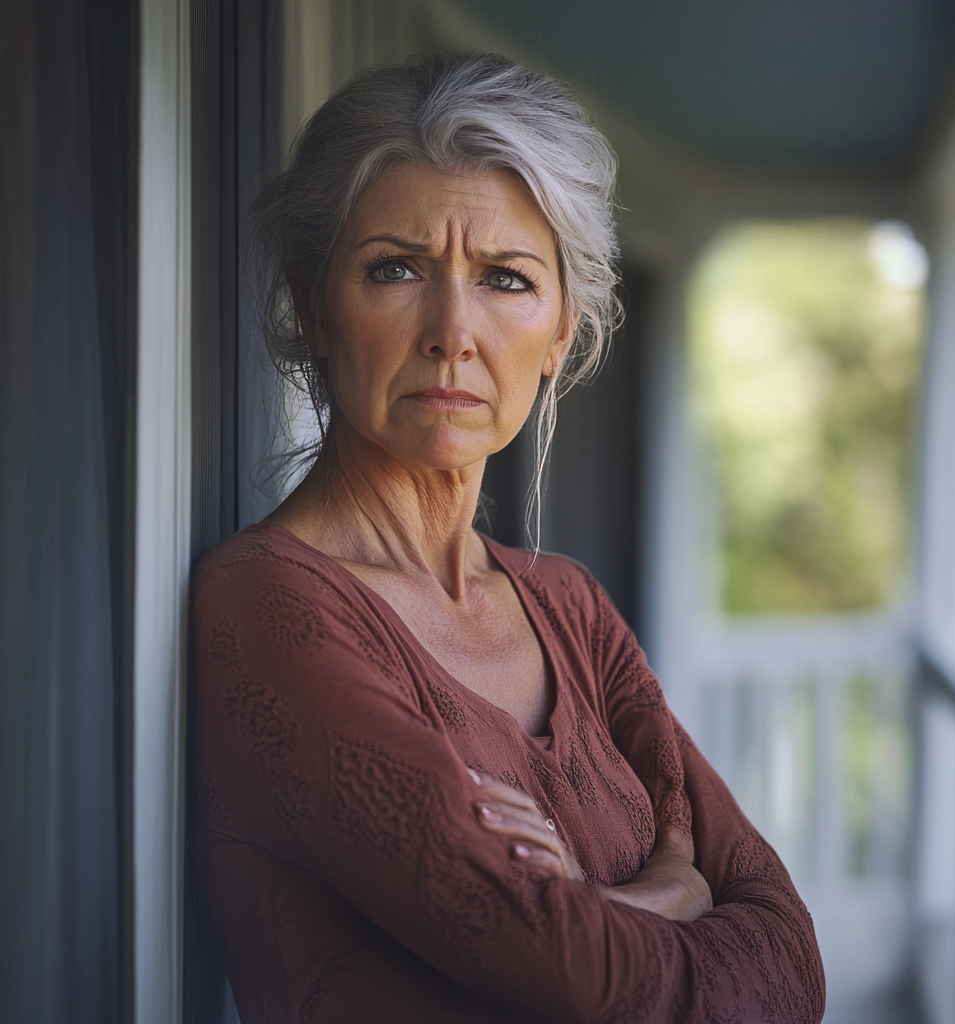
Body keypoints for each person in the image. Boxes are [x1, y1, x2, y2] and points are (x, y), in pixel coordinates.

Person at [192, 52, 826, 1024]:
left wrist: (580, 918)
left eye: (505, 279)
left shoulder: (568, 606)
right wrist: (676, 892)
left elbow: (791, 964)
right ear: (316, 306)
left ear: (560, 334)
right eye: (395, 269)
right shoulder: (272, 606)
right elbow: (578, 979)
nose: (453, 329)